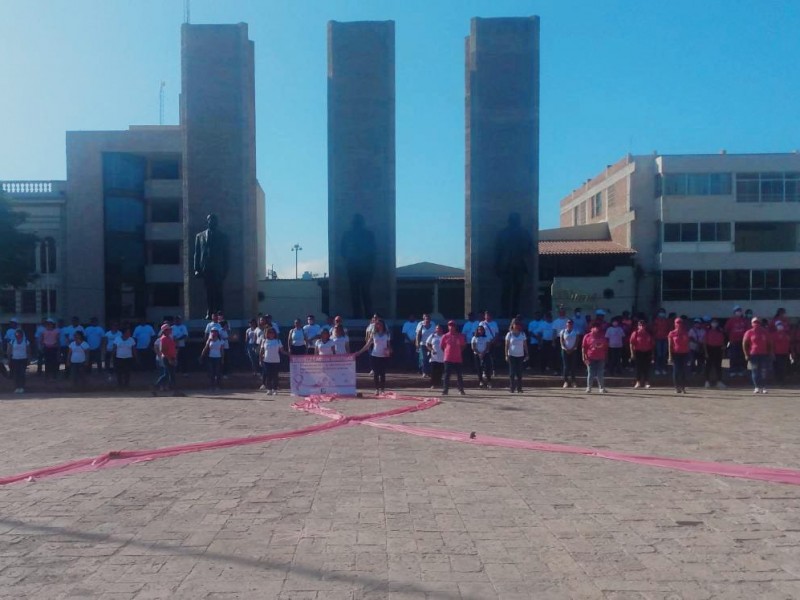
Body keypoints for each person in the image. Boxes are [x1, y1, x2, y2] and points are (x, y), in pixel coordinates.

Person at [355, 319, 391, 394]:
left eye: (380, 324)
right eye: (378, 324)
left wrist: (389, 351)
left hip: (384, 356)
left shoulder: (387, 334)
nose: (379, 325)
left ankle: (382, 389)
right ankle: (377, 389)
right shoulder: (374, 334)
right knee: (376, 373)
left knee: (382, 373)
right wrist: (359, 352)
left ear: (383, 325)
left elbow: (388, 345)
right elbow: (367, 345)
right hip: (374, 355)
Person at [743, 317, 771, 394]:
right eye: (754, 322)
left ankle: (764, 387)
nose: (756, 324)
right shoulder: (749, 332)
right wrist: (746, 354)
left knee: (763, 371)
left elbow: (769, 343)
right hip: (753, 355)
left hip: (764, 355)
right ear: (752, 323)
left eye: (758, 322)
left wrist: (769, 353)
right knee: (755, 371)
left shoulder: (765, 332)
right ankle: (756, 387)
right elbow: (744, 344)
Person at [440, 320, 466, 396]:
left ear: (455, 327)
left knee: (459, 375)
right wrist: (447, 352)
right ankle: (445, 390)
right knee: (447, 375)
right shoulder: (445, 336)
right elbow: (442, 346)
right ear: (448, 327)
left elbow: (463, 346)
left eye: (453, 325)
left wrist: (458, 351)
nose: (451, 327)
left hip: (457, 358)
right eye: (450, 325)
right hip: (448, 358)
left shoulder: (460, 336)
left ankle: (461, 390)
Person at [153, 324, 180, 396]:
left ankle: (154, 387)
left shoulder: (169, 338)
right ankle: (176, 391)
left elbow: (173, 348)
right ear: (165, 331)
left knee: (167, 374)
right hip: (168, 358)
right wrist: (169, 359)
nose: (171, 330)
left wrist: (174, 357)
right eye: (169, 329)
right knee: (171, 375)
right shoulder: (164, 338)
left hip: (171, 357)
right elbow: (163, 350)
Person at [259, 327, 287, 394]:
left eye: (272, 332)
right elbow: (261, 351)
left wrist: (289, 354)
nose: (271, 334)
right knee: (268, 376)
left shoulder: (278, 341)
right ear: (267, 333)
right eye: (269, 332)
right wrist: (260, 360)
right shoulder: (264, 341)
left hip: (276, 361)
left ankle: (275, 389)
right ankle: (269, 389)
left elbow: (282, 351)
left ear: (275, 333)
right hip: (267, 360)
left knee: (275, 376)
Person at [582, 324, 609, 393]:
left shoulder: (603, 336)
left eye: (597, 327)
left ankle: (601, 388)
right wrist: (584, 357)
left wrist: (606, 356)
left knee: (600, 373)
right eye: (595, 327)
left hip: (601, 357)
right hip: (590, 357)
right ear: (591, 328)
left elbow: (606, 348)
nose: (596, 329)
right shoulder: (587, 336)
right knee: (590, 373)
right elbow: (584, 347)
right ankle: (589, 387)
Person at [505, 319, 528, 394]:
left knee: (519, 372)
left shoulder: (522, 334)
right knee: (512, 373)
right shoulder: (509, 334)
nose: (517, 326)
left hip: (520, 355)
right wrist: (506, 355)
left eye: (518, 324)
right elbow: (506, 345)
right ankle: (512, 387)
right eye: (515, 324)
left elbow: (525, 345)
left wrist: (527, 354)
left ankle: (519, 388)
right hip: (511, 355)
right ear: (512, 325)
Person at [629, 319, 654, 389]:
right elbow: (631, 343)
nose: (641, 327)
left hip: (647, 352)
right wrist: (632, 353)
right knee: (638, 368)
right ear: (638, 326)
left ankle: (647, 382)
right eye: (640, 325)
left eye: (643, 325)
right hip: (638, 352)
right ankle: (638, 382)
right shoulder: (635, 333)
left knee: (646, 368)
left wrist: (652, 354)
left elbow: (652, 344)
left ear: (645, 326)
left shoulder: (648, 333)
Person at [667, 318, 690, 394]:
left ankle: (683, 387)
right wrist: (670, 356)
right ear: (674, 324)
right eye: (677, 322)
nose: (679, 324)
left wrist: (689, 355)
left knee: (684, 371)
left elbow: (687, 344)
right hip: (676, 354)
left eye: (680, 322)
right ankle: (677, 387)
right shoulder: (672, 333)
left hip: (684, 353)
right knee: (676, 371)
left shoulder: (685, 333)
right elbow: (670, 345)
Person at [724, 306, 748, 377]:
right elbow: (726, 330)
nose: (738, 312)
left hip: (742, 342)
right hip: (733, 342)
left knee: (742, 356)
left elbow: (748, 330)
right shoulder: (730, 320)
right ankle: (733, 370)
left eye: (739, 311)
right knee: (733, 356)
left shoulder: (744, 320)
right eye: (737, 311)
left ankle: (742, 370)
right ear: (734, 312)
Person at [703, 319, 726, 389]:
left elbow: (723, 343)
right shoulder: (707, 331)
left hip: (718, 349)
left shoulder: (720, 331)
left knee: (718, 366)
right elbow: (704, 343)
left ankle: (719, 382)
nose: (714, 324)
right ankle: (707, 382)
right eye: (713, 322)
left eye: (716, 322)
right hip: (709, 349)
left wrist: (723, 352)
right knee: (708, 366)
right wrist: (706, 352)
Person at [7, 329, 31, 393]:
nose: (18, 336)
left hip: (23, 359)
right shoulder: (12, 341)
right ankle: (17, 387)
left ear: (22, 335)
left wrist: (29, 359)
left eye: (19, 334)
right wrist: (9, 359)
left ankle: (22, 387)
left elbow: (28, 351)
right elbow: (9, 351)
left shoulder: (26, 341)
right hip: (15, 359)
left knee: (22, 373)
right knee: (16, 374)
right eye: (17, 334)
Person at [559, 318, 580, 388]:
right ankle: (566, 381)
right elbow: (561, 341)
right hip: (565, 350)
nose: (569, 324)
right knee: (566, 366)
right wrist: (566, 349)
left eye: (571, 323)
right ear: (566, 324)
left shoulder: (576, 331)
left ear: (572, 324)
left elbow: (577, 341)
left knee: (573, 366)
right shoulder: (562, 331)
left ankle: (573, 381)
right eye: (568, 323)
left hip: (573, 350)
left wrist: (572, 349)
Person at [426, 324, 445, 389]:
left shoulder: (444, 336)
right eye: (437, 328)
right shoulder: (432, 336)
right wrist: (431, 350)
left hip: (442, 356)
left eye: (439, 328)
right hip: (434, 356)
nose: (438, 330)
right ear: (435, 329)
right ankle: (433, 384)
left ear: (442, 329)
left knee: (440, 371)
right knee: (434, 371)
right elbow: (427, 344)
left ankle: (439, 383)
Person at [652, 308, 670, 375]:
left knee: (664, 355)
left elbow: (669, 330)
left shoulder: (666, 321)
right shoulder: (656, 321)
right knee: (659, 355)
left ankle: (664, 368)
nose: (662, 314)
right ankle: (657, 368)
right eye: (661, 312)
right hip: (658, 339)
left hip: (665, 339)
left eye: (663, 312)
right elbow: (653, 330)